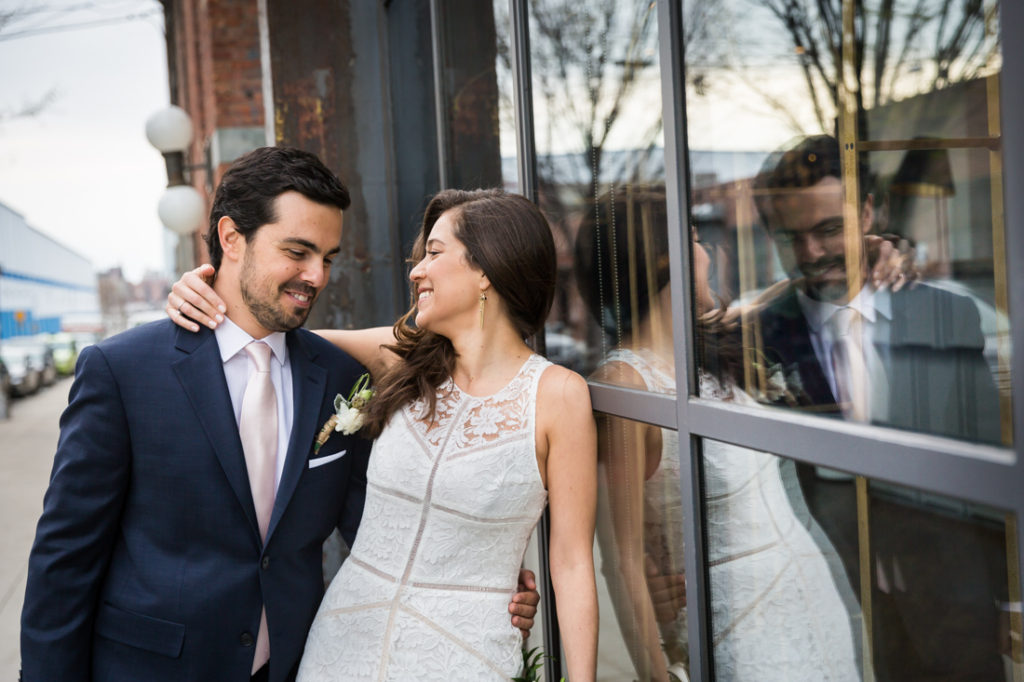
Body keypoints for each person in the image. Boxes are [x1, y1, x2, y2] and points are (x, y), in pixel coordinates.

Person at [21, 147, 538, 682]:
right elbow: (65, 561)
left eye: (329, 258)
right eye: (297, 251)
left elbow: (382, 529)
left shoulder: (340, 377)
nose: (316, 276)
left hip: (297, 666)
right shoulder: (123, 371)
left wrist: (487, 584)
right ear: (231, 239)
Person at [168, 188, 599, 680]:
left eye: (434, 254)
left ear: (486, 269)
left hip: (464, 657)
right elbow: (268, 337)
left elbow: (570, 564)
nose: (416, 271)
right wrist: (204, 293)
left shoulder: (559, 396)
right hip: (340, 648)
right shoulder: (402, 356)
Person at [574, 189, 860, 682]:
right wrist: (658, 674)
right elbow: (623, 564)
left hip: (808, 596)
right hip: (740, 631)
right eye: (695, 240)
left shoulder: (705, 349)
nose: (709, 252)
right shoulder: (625, 386)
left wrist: (874, 253)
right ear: (668, 260)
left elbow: (777, 296)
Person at [751, 134, 1008, 681]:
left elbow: (986, 453)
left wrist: (1012, 598)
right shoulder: (755, 338)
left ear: (869, 212)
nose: (811, 254)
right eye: (789, 237)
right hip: (828, 606)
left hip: (954, 609)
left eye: (826, 230)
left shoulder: (947, 314)